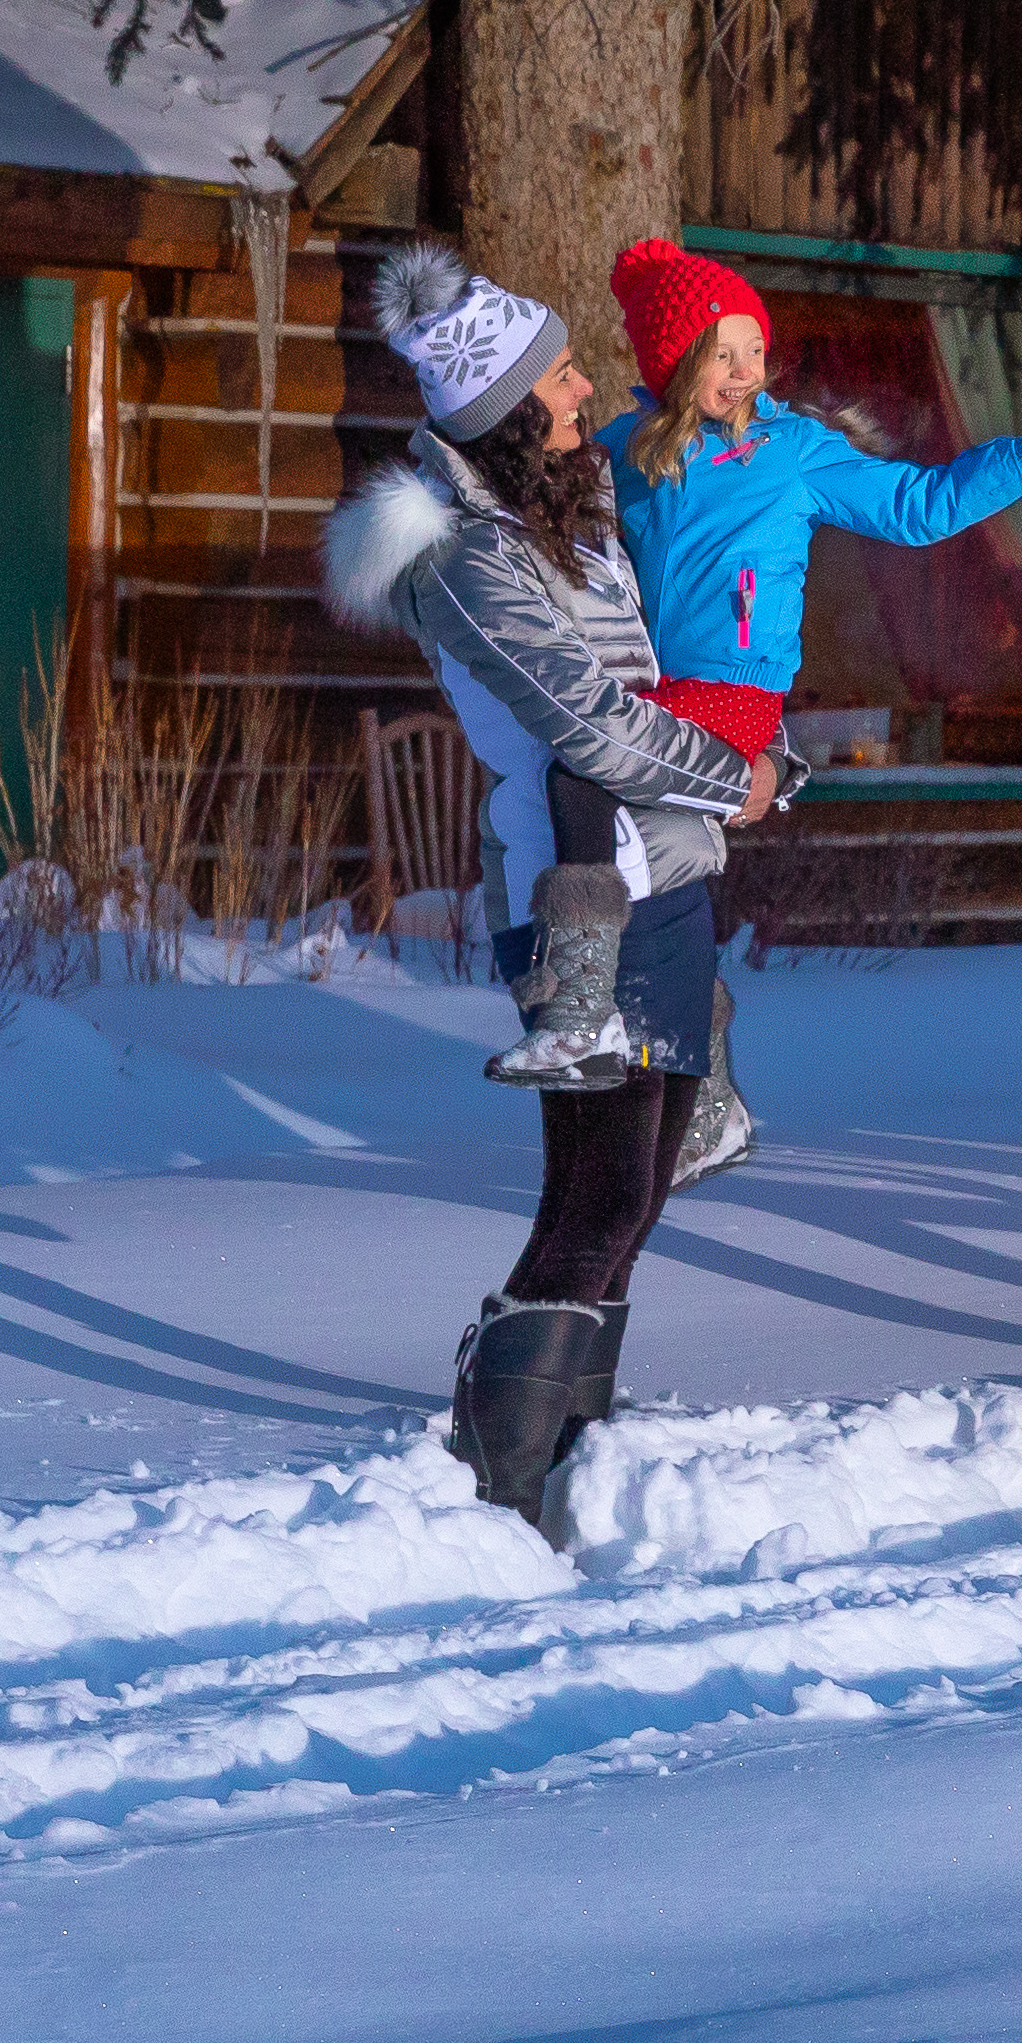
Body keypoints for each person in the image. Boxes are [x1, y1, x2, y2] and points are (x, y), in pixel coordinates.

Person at [323, 245, 771, 1542]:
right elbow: (583, 719)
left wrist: (742, 756)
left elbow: (647, 685)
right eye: (565, 377)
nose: (587, 392)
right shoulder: (469, 559)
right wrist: (720, 770)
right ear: (510, 411)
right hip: (575, 894)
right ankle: (500, 1473)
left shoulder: (564, 524)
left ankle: (570, 1456)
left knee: (640, 1189)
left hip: (661, 876)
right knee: (599, 1194)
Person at [599, 231, 1022, 766]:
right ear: (678, 360)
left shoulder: (791, 449)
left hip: (734, 687)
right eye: (723, 355)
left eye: (755, 350)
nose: (746, 372)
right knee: (600, 796)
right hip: (644, 677)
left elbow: (915, 507)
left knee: (611, 774)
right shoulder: (626, 446)